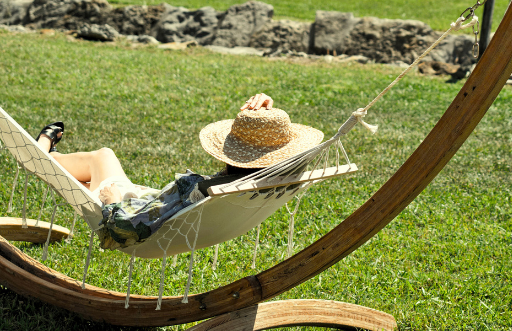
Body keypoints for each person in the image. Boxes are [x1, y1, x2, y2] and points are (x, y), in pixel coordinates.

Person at [36, 93, 324, 250]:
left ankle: (43, 152)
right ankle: (51, 156)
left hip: (128, 210)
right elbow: (287, 160)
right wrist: (267, 122)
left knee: (102, 157)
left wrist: (112, 202)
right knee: (89, 175)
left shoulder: (198, 189)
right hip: (152, 206)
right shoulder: (276, 181)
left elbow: (127, 229)